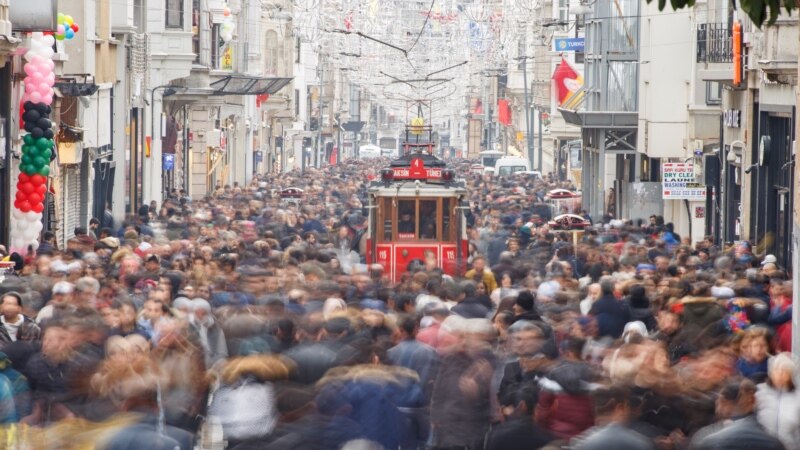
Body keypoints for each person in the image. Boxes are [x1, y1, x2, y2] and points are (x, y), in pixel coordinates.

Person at [754, 353, 800, 449]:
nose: (779, 375)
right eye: (776, 370)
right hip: (761, 445)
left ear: (791, 375)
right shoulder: (759, 392)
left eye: (784, 371)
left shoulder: (797, 397)